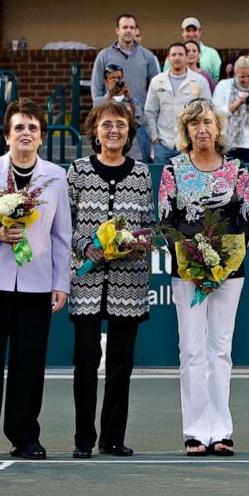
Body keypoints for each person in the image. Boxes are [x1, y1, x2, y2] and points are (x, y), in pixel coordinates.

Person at [0, 98, 71, 460]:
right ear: (7, 135)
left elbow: (61, 236)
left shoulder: (55, 176)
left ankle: (24, 436)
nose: (26, 133)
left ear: (41, 138)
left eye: (33, 128)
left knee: (30, 363)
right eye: (19, 127)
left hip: (36, 285)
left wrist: (60, 283)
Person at [159, 99, 249, 457]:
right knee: (192, 350)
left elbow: (247, 221)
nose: (202, 129)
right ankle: (195, 431)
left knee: (220, 350)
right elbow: (167, 222)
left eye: (208, 123)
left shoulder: (237, 169)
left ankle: (221, 431)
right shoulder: (173, 169)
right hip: (187, 274)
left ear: (218, 129)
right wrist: (194, 265)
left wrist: (221, 266)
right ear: (186, 130)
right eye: (195, 123)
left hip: (230, 274)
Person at [67, 101, 153, 459]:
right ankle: (84, 439)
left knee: (121, 363)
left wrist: (135, 245)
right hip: (86, 283)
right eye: (106, 125)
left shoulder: (142, 174)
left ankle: (112, 438)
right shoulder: (78, 171)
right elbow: (63, 225)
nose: (113, 130)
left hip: (128, 285)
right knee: (86, 361)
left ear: (129, 131)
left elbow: (149, 226)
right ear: (95, 131)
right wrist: (85, 245)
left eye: (120, 124)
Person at [91, 14, 160, 163]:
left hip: (138, 122)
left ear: (136, 30)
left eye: (132, 27)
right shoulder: (104, 55)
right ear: (117, 30)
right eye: (125, 27)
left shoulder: (147, 57)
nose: (128, 31)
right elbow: (96, 91)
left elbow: (156, 90)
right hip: (111, 121)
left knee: (139, 165)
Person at [145, 43, 212, 165]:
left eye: (180, 54)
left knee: (188, 182)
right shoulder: (157, 82)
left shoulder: (200, 81)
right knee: (161, 182)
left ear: (187, 57)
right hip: (163, 145)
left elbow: (207, 112)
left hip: (190, 144)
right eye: (174, 54)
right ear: (168, 58)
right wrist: (155, 139)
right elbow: (150, 112)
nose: (177, 57)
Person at [213, 55, 249, 163]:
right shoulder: (223, 86)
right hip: (229, 144)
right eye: (242, 77)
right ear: (235, 74)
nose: (246, 80)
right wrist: (234, 105)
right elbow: (216, 114)